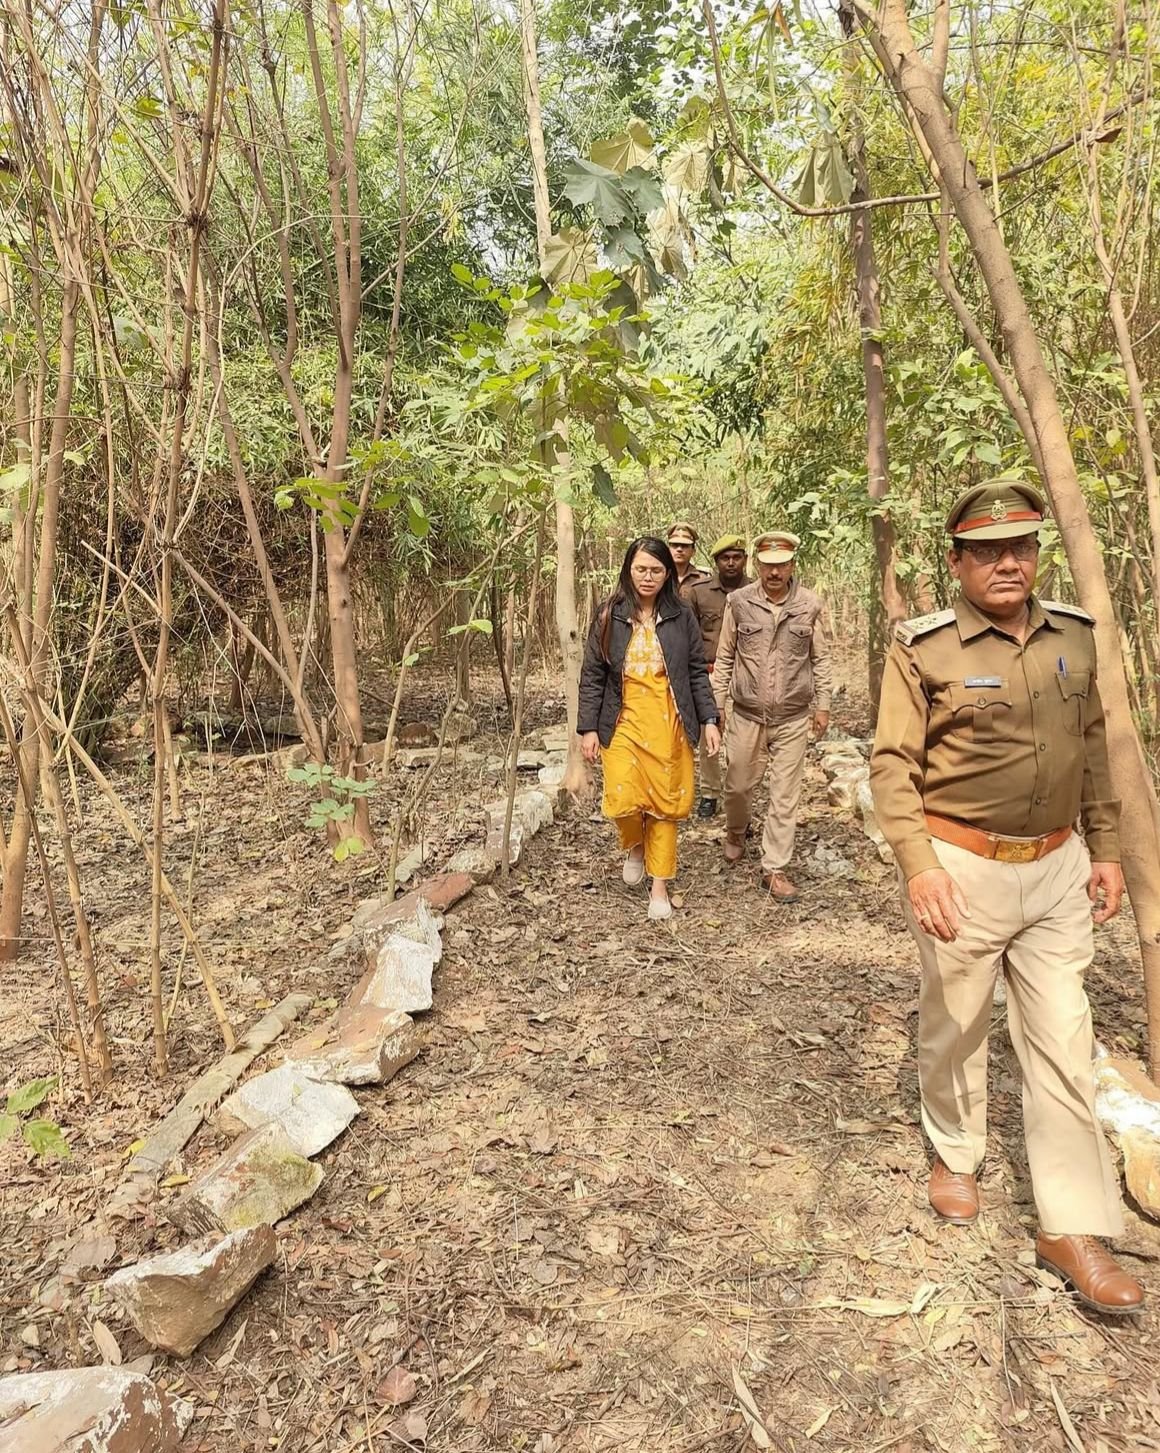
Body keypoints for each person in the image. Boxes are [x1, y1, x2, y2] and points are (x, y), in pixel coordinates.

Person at [869, 479, 1143, 1316]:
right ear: (957, 562)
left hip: (1057, 866)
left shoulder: (1075, 636)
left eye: (1020, 547)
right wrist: (920, 865)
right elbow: (892, 766)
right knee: (956, 1019)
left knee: (1063, 1032)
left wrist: (1105, 848)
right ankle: (956, 1149)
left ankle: (1072, 1225)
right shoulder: (926, 649)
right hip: (963, 863)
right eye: (987, 552)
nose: (1007, 564)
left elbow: (1092, 746)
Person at [579, 537, 721, 920]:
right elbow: (593, 673)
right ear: (628, 570)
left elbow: (696, 671)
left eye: (656, 570)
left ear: (667, 573)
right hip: (621, 720)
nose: (648, 577)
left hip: (668, 722)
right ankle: (636, 844)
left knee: (664, 805)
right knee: (622, 799)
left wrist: (709, 719)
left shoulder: (681, 614)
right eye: (640, 569)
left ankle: (659, 885)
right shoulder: (610, 613)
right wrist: (587, 728)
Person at [713, 530, 831, 901]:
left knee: (785, 794)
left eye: (782, 565)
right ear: (758, 565)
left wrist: (823, 704)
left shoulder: (809, 605)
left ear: (793, 565)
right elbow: (725, 655)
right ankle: (736, 830)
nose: (775, 573)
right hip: (746, 714)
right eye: (768, 566)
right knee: (737, 785)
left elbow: (820, 658)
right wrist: (717, 703)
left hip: (792, 716)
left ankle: (774, 867)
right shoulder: (739, 602)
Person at [682, 535, 749, 819]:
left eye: (736, 557)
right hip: (709, 674)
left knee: (742, 741)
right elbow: (688, 636)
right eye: (725, 558)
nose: (731, 563)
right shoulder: (699, 592)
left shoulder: (756, 591)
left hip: (746, 677)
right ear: (716, 562)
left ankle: (737, 794)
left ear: (745, 560)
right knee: (709, 734)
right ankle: (710, 792)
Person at [667, 522, 710, 591]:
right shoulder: (661, 575)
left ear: (693, 552)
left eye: (684, 546)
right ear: (668, 549)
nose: (679, 549)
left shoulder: (702, 579)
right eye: (675, 545)